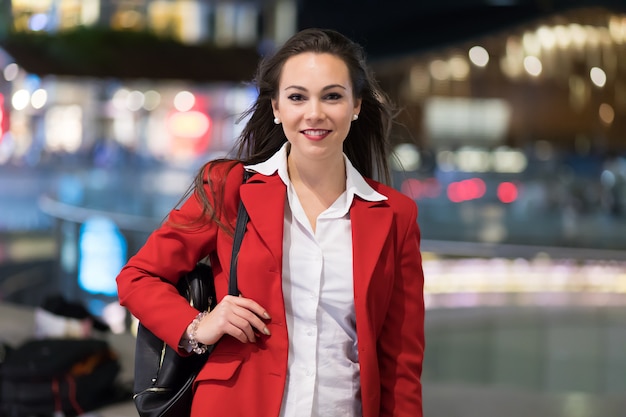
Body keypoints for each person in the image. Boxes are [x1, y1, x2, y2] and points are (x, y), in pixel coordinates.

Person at [116, 28, 425, 417]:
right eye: (297, 97)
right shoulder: (228, 188)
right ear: (276, 108)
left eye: (332, 96)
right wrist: (198, 326)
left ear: (356, 105)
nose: (315, 113)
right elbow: (137, 277)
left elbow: (401, 363)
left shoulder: (394, 215)